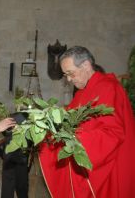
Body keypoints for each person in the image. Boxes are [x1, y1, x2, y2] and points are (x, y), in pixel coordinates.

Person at [39, 46, 135, 198]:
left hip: (109, 169)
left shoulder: (108, 87)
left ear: (85, 65)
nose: (69, 79)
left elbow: (113, 133)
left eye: (70, 73)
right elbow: (67, 120)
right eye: (66, 75)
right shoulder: (83, 92)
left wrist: (76, 139)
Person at [1, 112, 30, 198]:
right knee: (9, 184)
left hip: (20, 158)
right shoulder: (17, 117)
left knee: (21, 183)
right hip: (11, 157)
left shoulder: (23, 120)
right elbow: (5, 132)